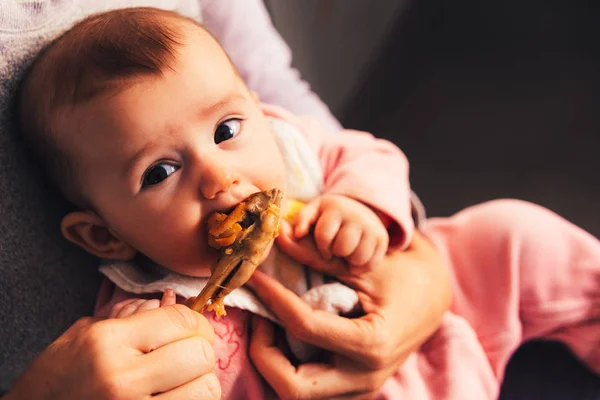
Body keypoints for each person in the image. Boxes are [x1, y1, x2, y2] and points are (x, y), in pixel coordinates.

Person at [15, 6, 600, 400]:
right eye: (161, 171)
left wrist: (362, 209)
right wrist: (166, 356)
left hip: (439, 321)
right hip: (323, 383)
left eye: (225, 130)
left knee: (511, 232)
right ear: (105, 236)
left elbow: (368, 155)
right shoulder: (148, 309)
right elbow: (145, 368)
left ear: (252, 104)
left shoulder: (288, 143)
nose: (220, 176)